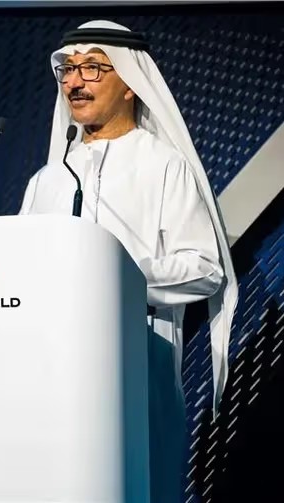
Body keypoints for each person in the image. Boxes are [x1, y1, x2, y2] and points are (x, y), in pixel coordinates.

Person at [18, 19, 238, 503]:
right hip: (49, 373)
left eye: (92, 68)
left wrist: (113, 274)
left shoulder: (163, 166)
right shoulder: (47, 180)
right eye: (68, 69)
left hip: (137, 368)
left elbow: (205, 268)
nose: (74, 82)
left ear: (129, 84)